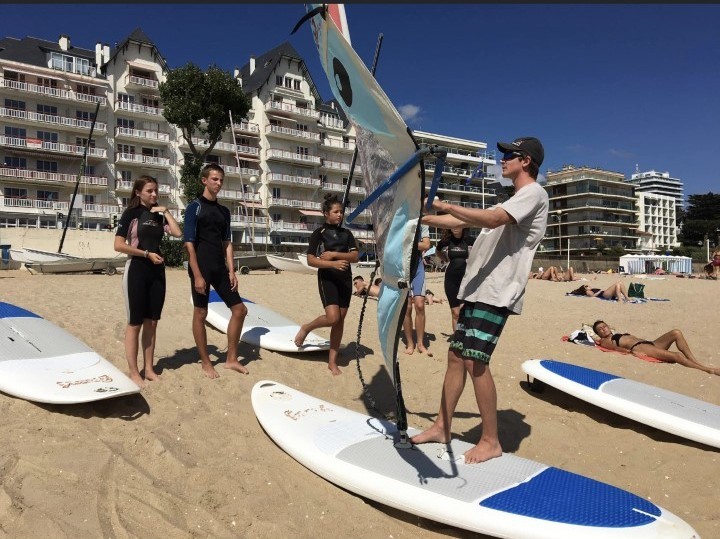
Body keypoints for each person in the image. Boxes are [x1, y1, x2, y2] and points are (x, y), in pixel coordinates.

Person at [411, 136, 549, 463]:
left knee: (476, 361)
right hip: (478, 290)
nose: (502, 160)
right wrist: (420, 218)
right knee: (456, 358)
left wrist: (446, 205)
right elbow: (461, 221)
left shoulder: (533, 194)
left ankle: (491, 440)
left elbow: (491, 220)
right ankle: (443, 425)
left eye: (508, 156)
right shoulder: (512, 198)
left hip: (497, 292)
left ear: (525, 160)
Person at [114, 175, 182, 387]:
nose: (154, 195)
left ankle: (149, 369)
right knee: (135, 323)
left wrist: (166, 211)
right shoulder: (130, 214)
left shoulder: (159, 216)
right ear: (138, 192)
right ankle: (134, 371)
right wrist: (145, 254)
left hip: (157, 272)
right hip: (136, 269)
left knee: (152, 322)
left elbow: (178, 233)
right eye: (149, 191)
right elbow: (118, 245)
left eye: (156, 191)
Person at [184, 164, 249, 379]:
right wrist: (198, 275)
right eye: (214, 179)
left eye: (221, 180)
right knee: (201, 313)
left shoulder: (224, 211)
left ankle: (231, 358)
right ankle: (205, 362)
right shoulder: (194, 207)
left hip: (220, 269)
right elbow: (189, 245)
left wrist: (232, 270)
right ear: (204, 180)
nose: (218, 183)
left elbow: (227, 243)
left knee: (240, 310)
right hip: (200, 268)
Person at [294, 193, 359, 375]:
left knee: (340, 322)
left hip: (345, 280)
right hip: (327, 279)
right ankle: (307, 327)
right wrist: (332, 263)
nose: (340, 215)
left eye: (341, 212)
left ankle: (332, 361)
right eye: (336, 212)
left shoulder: (347, 234)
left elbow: (355, 256)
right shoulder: (319, 234)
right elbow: (311, 260)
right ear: (326, 214)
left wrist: (335, 255)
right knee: (332, 318)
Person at [592, 320, 719, 375]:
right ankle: (708, 370)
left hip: (652, 343)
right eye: (600, 329)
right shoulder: (605, 340)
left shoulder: (615, 334)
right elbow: (614, 349)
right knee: (676, 356)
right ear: (598, 333)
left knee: (676, 332)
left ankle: (695, 362)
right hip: (640, 347)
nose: (603, 329)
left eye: (604, 326)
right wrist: (630, 352)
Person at [436, 227, 474, 332]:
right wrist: (445, 259)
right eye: (453, 226)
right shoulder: (446, 241)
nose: (456, 228)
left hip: (466, 279)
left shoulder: (470, 240)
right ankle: (456, 339)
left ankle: (464, 337)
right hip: (450, 279)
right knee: (455, 312)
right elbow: (437, 251)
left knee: (464, 311)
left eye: (458, 225)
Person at [402, 224, 432, 356]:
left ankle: (420, 343)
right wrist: (416, 244)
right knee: (407, 307)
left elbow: (426, 245)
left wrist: (407, 243)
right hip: (403, 268)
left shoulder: (422, 222)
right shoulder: (401, 220)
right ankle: (410, 343)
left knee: (420, 305)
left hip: (418, 267)